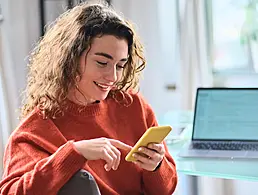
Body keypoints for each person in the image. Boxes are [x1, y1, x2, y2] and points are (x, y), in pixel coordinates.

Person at [0, 1, 178, 195]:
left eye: (120, 65)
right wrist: (74, 153)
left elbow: (166, 189)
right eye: (102, 63)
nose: (113, 77)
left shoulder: (134, 105)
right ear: (70, 59)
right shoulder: (36, 131)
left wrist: (156, 166)